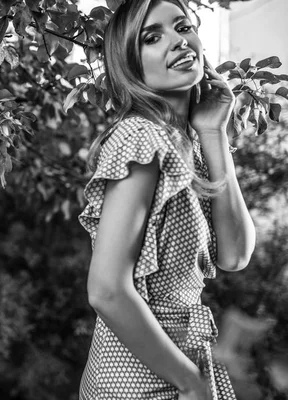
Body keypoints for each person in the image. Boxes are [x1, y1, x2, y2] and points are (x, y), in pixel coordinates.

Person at [77, 0, 256, 399]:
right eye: (153, 37)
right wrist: (191, 382)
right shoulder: (140, 136)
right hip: (138, 375)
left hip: (183, 360)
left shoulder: (184, 145)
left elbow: (234, 256)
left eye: (183, 27)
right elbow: (106, 289)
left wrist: (214, 133)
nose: (178, 41)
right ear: (130, 64)